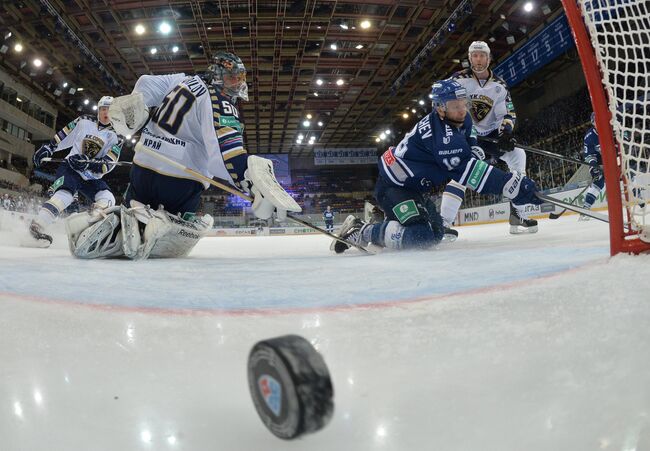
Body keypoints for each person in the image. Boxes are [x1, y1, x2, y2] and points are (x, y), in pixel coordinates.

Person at [65, 51, 300, 259]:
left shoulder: (182, 80)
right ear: (217, 76)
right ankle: (158, 225)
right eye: (231, 78)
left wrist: (142, 111)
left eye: (240, 79)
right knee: (188, 220)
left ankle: (115, 221)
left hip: (142, 169)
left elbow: (145, 82)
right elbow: (228, 155)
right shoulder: (221, 101)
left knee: (132, 210)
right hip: (180, 181)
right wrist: (252, 187)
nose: (236, 85)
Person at [331, 79, 543, 253]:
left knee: (437, 232)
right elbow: (469, 173)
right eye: (455, 106)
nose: (462, 110)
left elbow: (470, 138)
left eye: (463, 103)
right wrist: (511, 186)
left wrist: (479, 148)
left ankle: (384, 218)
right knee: (422, 236)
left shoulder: (458, 118)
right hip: (394, 188)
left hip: (412, 187)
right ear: (440, 108)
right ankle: (363, 230)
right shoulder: (442, 137)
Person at [440, 41, 538, 235]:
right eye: (474, 55)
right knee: (461, 173)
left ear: (489, 58)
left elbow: (507, 113)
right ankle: (443, 224)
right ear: (469, 58)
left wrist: (506, 132)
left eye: (482, 55)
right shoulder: (457, 80)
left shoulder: (500, 85)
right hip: (467, 135)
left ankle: (517, 215)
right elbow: (444, 106)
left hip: (492, 135)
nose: (478, 59)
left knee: (518, 155)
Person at [27, 96, 122, 247]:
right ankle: (37, 226)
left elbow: (108, 164)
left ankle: (90, 227)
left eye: (109, 110)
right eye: (103, 109)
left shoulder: (117, 136)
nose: (106, 112)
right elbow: (65, 134)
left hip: (91, 176)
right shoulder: (84, 120)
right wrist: (49, 147)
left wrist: (88, 165)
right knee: (65, 195)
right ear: (98, 110)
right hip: (70, 168)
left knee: (108, 198)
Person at [579, 112, 604, 220]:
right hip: (600, 161)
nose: (598, 124)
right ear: (593, 123)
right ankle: (585, 208)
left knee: (627, 174)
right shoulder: (590, 136)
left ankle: (639, 200)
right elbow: (589, 154)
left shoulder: (612, 127)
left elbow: (624, 133)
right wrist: (594, 167)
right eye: (595, 122)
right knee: (598, 181)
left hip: (615, 156)